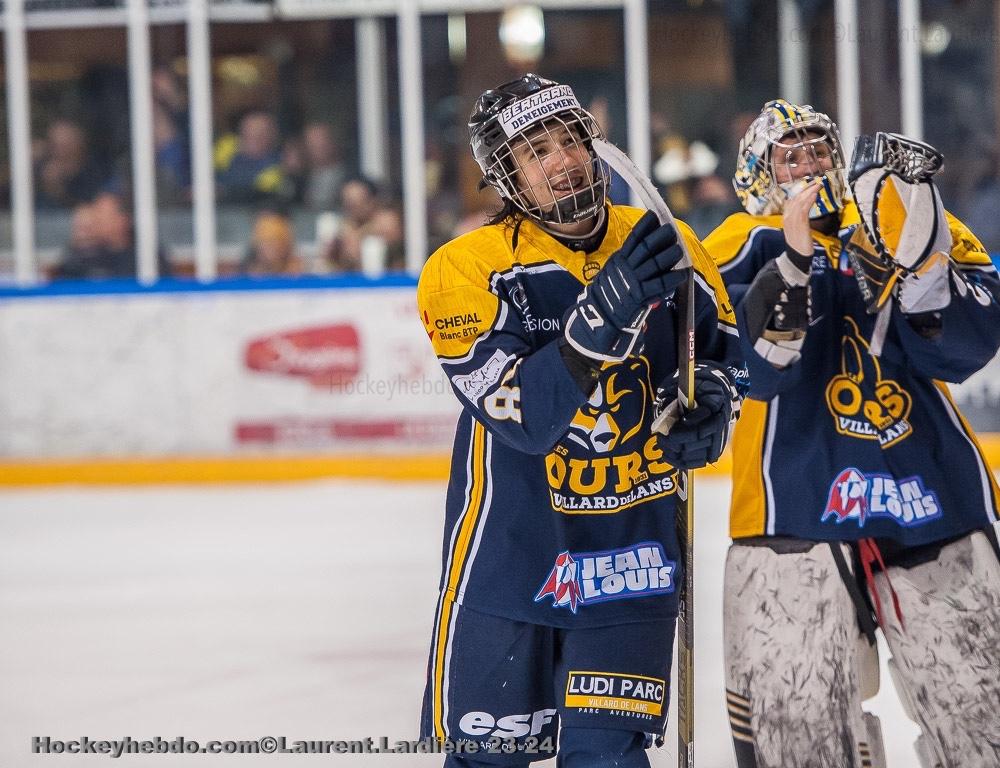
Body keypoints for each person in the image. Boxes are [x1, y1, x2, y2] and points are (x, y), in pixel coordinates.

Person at [417, 73, 743, 767]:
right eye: (536, 152)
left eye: (570, 140)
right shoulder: (466, 269)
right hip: (510, 566)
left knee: (609, 760)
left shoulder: (668, 241)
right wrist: (605, 311)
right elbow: (525, 419)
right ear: (505, 178)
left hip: (631, 560)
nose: (562, 160)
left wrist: (712, 403)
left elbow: (720, 356)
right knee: (485, 760)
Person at [704, 99, 1000, 768]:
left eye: (820, 150)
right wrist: (793, 264)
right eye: (790, 156)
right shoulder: (739, 242)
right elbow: (750, 368)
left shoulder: (899, 218)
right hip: (793, 507)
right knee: (797, 736)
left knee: (983, 718)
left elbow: (968, 346)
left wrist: (922, 275)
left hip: (930, 493)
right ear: (758, 174)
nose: (809, 166)